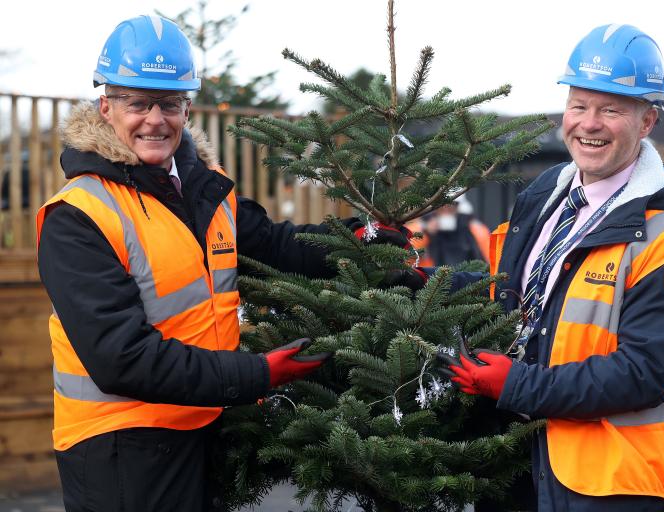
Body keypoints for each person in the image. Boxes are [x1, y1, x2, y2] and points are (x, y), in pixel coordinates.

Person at [35, 15, 408, 512]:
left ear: (187, 108)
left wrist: (365, 242)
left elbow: (277, 244)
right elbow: (119, 357)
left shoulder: (203, 187)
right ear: (106, 107)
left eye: (169, 104)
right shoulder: (78, 215)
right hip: (121, 446)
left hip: (203, 424)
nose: (155, 119)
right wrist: (254, 375)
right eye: (138, 102)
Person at [438, 24, 664, 511]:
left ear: (648, 121)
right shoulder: (547, 195)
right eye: (579, 105)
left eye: (611, 109)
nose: (589, 124)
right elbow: (517, 296)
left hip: (608, 484)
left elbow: (642, 374)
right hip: (518, 463)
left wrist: (517, 385)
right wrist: (419, 280)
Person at [406, 195, 491, 267]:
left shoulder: (475, 229)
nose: (446, 211)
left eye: (450, 207)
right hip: (429, 282)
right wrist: (426, 234)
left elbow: (490, 260)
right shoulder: (419, 228)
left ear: (458, 208)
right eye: (441, 207)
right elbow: (406, 262)